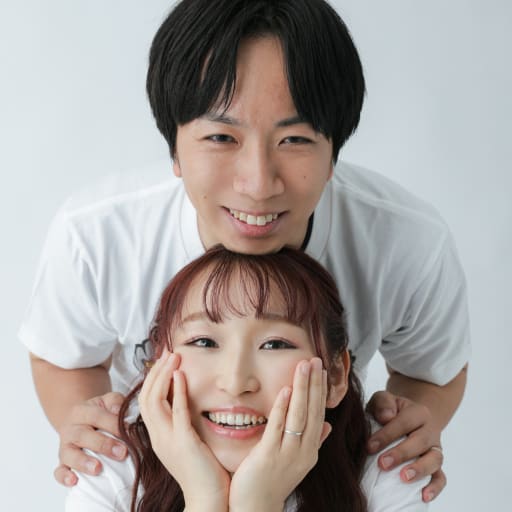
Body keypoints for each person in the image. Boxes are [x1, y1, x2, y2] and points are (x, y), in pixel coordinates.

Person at [20, 0, 470, 503]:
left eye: (294, 139)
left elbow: (433, 370)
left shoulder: (407, 244)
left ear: (334, 154)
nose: (257, 184)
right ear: (174, 148)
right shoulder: (97, 235)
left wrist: (401, 435)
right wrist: (103, 445)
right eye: (221, 136)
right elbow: (64, 357)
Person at [66, 246, 430, 511]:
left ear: (335, 375)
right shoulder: (113, 465)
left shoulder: (384, 467)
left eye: (275, 344)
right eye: (204, 342)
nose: (236, 381)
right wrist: (204, 500)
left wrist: (258, 504)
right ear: (156, 364)